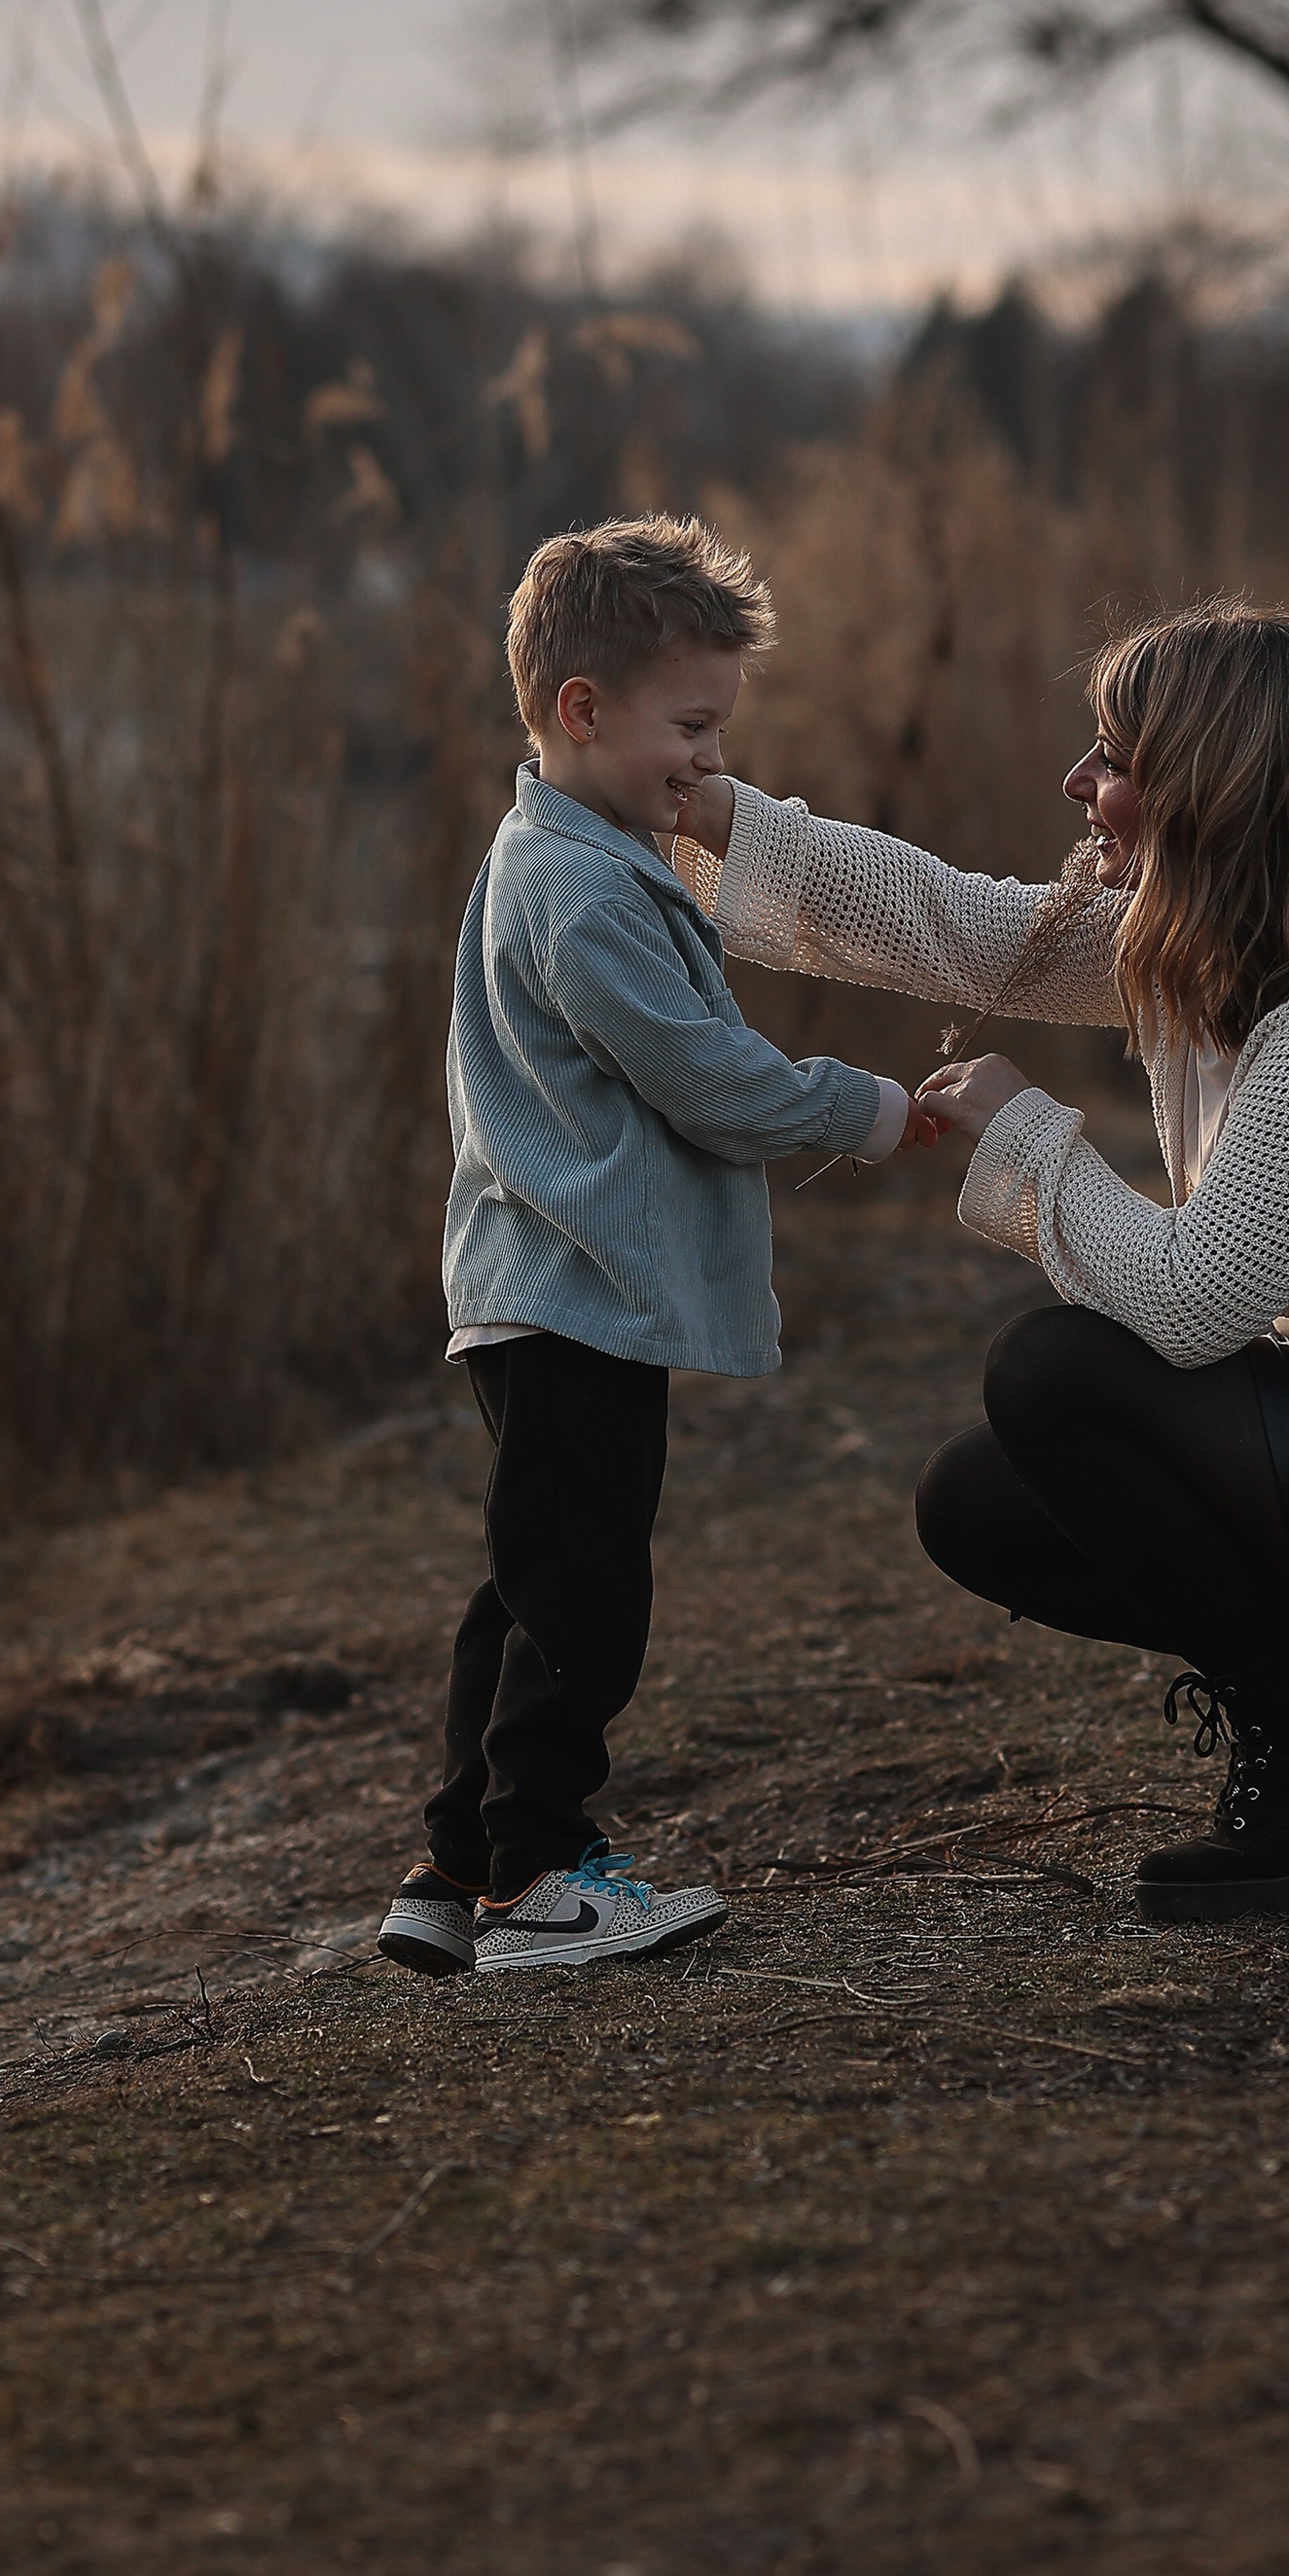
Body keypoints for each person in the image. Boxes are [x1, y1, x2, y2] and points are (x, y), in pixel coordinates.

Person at [672, 601, 1289, 1920]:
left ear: (1212, 789)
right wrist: (711, 816)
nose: (1080, 783)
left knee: (1058, 1371)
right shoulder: (1214, 938)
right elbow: (955, 925)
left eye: (1113, 756)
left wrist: (1023, 1129)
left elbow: (1191, 1304)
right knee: (980, 1502)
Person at [377, 516, 929, 1979]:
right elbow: (708, 1073)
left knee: (523, 1587)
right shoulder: (580, 889)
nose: (709, 764)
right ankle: (540, 1878)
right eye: (690, 729)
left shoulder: (567, 853)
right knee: (584, 1601)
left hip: (538, 1286)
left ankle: (457, 1863)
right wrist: (867, 1111)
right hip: (574, 1293)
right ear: (583, 710)